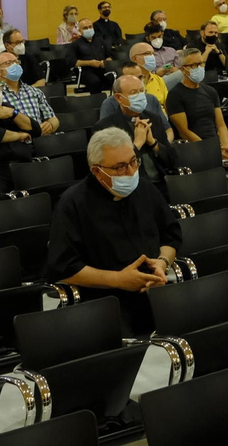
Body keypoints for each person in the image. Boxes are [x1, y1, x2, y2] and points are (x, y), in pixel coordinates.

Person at [46, 127, 181, 334]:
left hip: (155, 289)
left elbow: (171, 236)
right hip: (104, 301)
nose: (130, 172)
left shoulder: (145, 189)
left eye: (133, 161)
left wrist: (162, 262)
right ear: (97, 171)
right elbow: (64, 268)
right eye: (120, 167)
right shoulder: (72, 204)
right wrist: (117, 279)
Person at [97, 72, 174, 186]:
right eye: (134, 93)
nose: (140, 96)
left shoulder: (153, 118)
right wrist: (137, 144)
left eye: (141, 91)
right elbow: (114, 168)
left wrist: (153, 143)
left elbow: (172, 160)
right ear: (119, 98)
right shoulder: (105, 127)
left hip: (162, 182)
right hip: (131, 186)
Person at [166, 47, 228, 157]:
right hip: (195, 150)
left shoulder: (210, 91)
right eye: (194, 65)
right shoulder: (175, 95)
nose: (199, 67)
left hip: (216, 147)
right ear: (183, 69)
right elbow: (184, 132)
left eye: (201, 63)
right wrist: (212, 150)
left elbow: (221, 125)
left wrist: (226, 147)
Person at [0, 50, 59, 136]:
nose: (15, 65)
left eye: (17, 62)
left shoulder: (35, 91)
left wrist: (50, 125)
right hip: (14, 143)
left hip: (40, 140)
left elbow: (53, 118)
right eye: (9, 63)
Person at [68, 20, 112, 93]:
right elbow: (72, 61)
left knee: (116, 79)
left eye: (90, 27)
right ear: (80, 31)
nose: (88, 29)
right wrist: (90, 63)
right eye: (85, 28)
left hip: (102, 69)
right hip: (86, 71)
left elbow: (110, 56)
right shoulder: (75, 44)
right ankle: (96, 101)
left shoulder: (100, 41)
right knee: (94, 82)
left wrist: (105, 62)